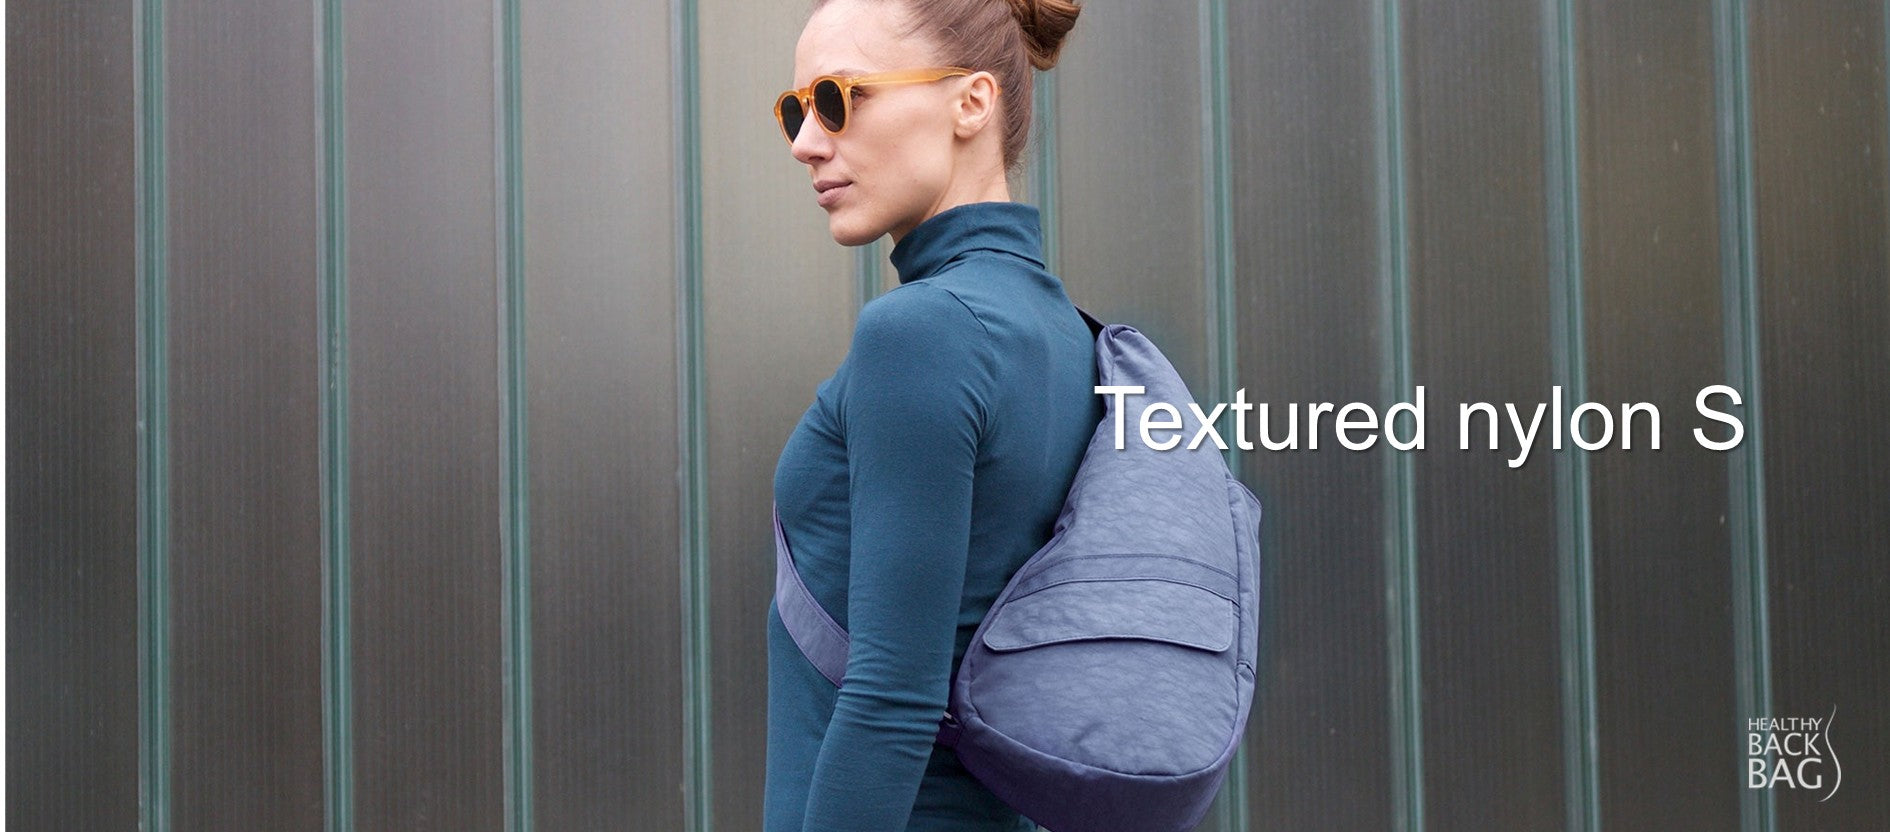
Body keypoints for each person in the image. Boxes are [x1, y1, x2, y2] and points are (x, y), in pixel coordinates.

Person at [763, 0, 1093, 829]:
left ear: (971, 103)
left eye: (837, 98)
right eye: (795, 110)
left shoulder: (921, 332)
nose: (806, 142)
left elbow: (892, 700)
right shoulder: (1066, 331)